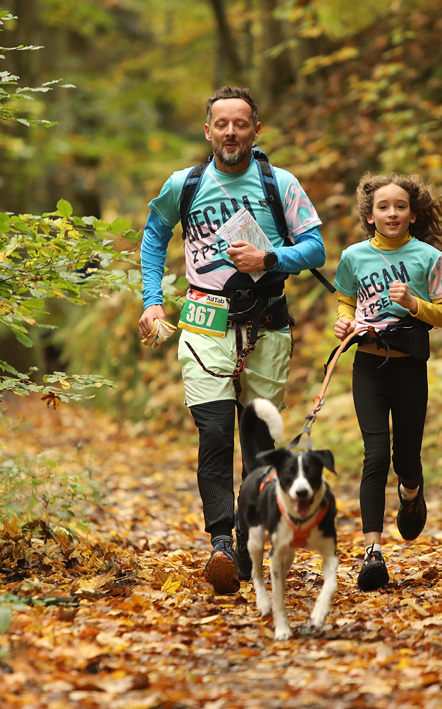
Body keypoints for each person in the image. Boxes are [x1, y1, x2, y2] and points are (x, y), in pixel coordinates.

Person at [138, 86, 326, 595]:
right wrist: (152, 300)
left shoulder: (280, 183)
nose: (230, 132)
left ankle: (246, 539)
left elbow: (315, 249)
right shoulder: (184, 184)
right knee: (215, 433)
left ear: (255, 130)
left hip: (266, 323)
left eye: (240, 124)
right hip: (204, 321)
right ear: (207, 131)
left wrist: (270, 259)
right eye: (221, 124)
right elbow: (154, 235)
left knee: (259, 445)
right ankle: (221, 541)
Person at [332, 173, 442, 591]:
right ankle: (372, 552)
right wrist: (344, 321)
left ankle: (411, 493)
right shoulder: (354, 256)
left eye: (400, 206)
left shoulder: (429, 258)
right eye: (383, 207)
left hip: (410, 367)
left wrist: (414, 304)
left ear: (413, 215)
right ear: (370, 216)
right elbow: (345, 298)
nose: (392, 213)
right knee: (375, 455)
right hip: (368, 366)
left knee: (406, 459)